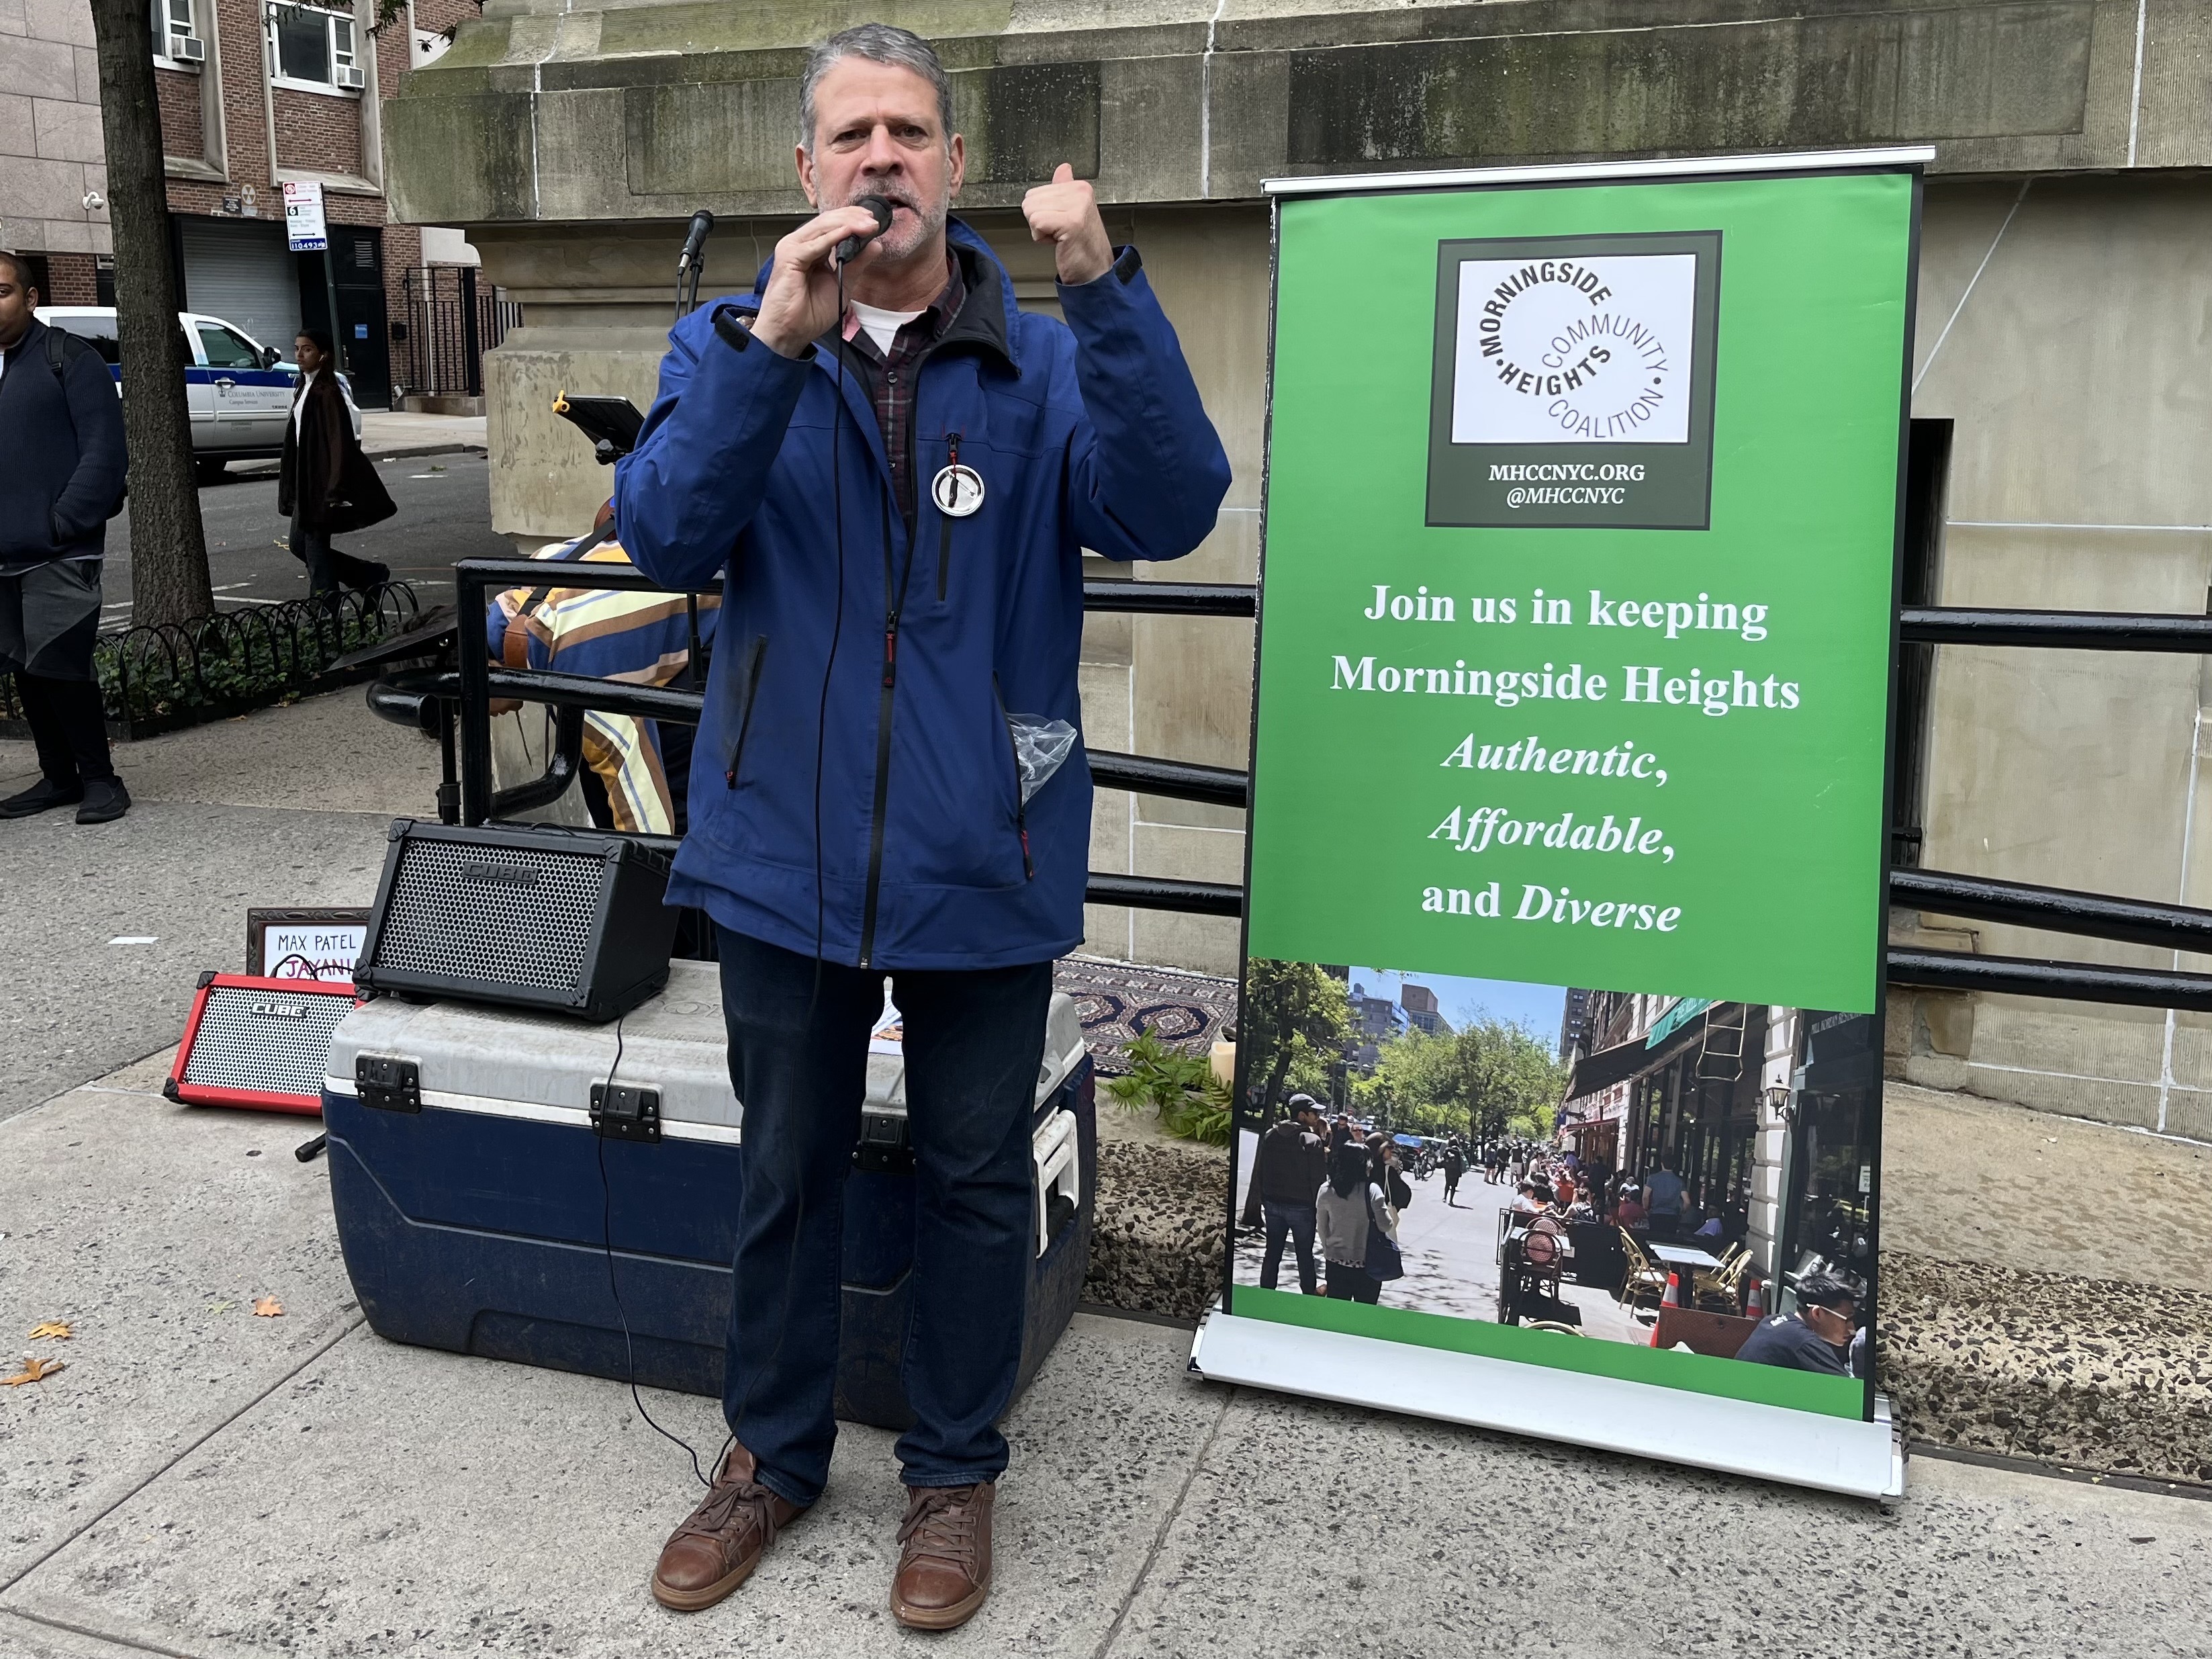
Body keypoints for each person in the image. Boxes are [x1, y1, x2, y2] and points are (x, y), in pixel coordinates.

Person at [614, 24, 1228, 1632]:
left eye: (909, 131)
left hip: (985, 849)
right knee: (785, 1172)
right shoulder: (725, 344)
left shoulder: (1036, 370)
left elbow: (1168, 505)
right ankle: (771, 1457)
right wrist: (769, 348)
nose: (879, 156)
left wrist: (1105, 287)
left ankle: (951, 1476)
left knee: (967, 1177)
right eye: (850, 134)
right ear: (805, 172)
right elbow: (666, 530)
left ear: (952, 169)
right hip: (780, 848)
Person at [0, 250, 130, 824]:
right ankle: (57, 778)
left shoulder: (69, 359)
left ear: (29, 299)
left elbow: (104, 454)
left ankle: (101, 780)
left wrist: (61, 522)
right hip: (2, 558)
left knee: (63, 665)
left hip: (58, 551)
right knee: (26, 667)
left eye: (1, 291)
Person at [277, 330, 391, 598]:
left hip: (320, 482)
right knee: (298, 545)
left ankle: (326, 610)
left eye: (307, 349)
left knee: (315, 550)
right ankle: (368, 575)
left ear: (323, 355)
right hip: (306, 481)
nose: (300, 355)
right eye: (297, 349)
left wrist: (335, 489)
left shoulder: (327, 392)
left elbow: (340, 443)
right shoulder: (304, 386)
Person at [1250, 1095, 1329, 1295]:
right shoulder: (1313, 1141)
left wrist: (1265, 1199)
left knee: (1272, 1253)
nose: (1317, 1117)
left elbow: (1261, 1169)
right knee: (1304, 1255)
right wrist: (1318, 1208)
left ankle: (1265, 1295)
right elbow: (1318, 1180)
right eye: (1314, 1113)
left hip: (1273, 1204)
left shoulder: (1270, 1135)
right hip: (1302, 1208)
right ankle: (1308, 1296)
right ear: (1302, 1115)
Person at [1735, 1272, 1861, 1376]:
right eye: (1847, 1319)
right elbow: (1848, 1392)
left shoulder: (1773, 1321)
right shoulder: (1804, 1342)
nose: (1852, 1329)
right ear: (1817, 1313)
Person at [1316, 1142, 1392, 1305]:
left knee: (1336, 1313)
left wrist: (1328, 1251)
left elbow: (1322, 1228)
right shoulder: (1372, 1190)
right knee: (1364, 1315)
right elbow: (1386, 1225)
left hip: (1336, 1263)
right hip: (1368, 1265)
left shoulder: (1326, 1189)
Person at [1645, 1158, 1687, 1235]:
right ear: (1674, 1165)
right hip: (1672, 1216)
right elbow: (1687, 1202)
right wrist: (1682, 1213)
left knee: (1654, 1238)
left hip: (1656, 1214)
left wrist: (1646, 1209)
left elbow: (1645, 1196)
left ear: (1662, 1164)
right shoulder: (1679, 1181)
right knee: (1669, 1240)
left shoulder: (1652, 1178)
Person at [1441, 1142, 1464, 1206]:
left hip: (1449, 1170)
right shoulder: (1459, 1153)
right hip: (1456, 1172)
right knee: (1453, 1187)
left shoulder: (1448, 1150)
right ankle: (1451, 1200)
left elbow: (1443, 1158)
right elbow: (1461, 1163)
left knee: (1447, 1184)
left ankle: (1445, 1198)